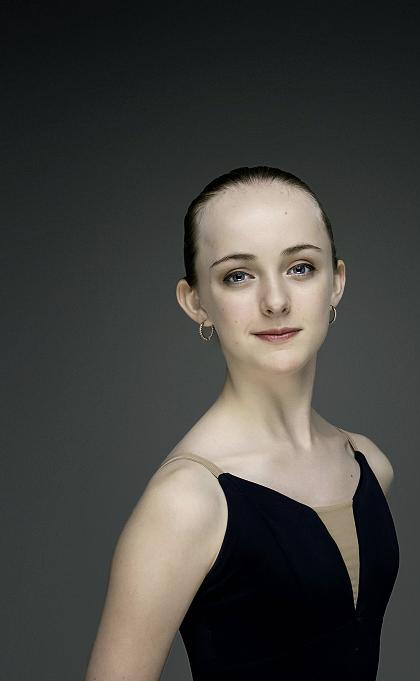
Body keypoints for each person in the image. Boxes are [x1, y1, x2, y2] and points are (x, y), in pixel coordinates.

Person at [84, 166, 399, 681]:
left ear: (336, 283)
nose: (275, 301)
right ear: (196, 303)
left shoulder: (369, 465)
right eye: (238, 275)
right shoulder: (187, 501)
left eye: (301, 267)